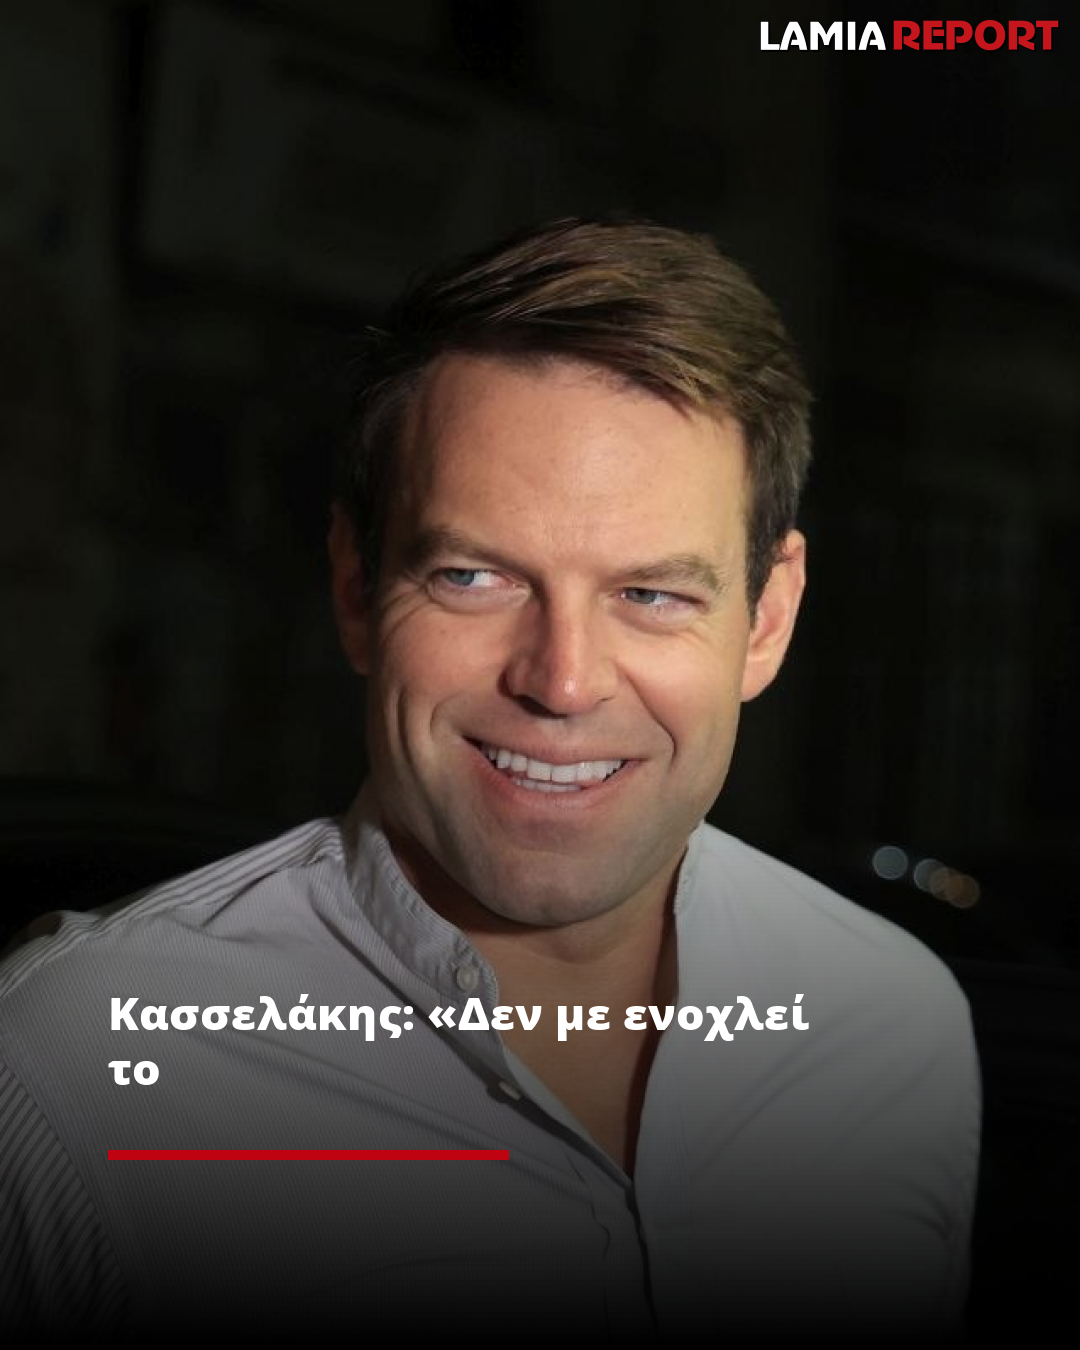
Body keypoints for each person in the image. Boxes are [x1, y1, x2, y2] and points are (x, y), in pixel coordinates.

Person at [0, 218, 979, 1342]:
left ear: (767, 620)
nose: (562, 681)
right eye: (472, 576)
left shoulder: (897, 1029)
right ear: (356, 589)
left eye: (652, 594)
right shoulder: (68, 1073)